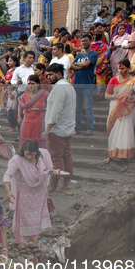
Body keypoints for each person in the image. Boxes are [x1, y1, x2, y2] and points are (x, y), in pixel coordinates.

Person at [3, 139, 52, 261]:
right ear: (23, 152)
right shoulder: (18, 160)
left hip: (40, 194)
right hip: (25, 195)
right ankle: (21, 245)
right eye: (27, 154)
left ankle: (34, 244)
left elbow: (49, 170)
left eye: (32, 154)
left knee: (37, 218)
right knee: (22, 220)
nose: (29, 156)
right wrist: (9, 192)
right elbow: (7, 175)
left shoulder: (42, 157)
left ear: (37, 153)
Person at [42, 63, 76, 195]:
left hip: (57, 130)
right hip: (67, 128)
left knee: (56, 159)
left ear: (59, 74)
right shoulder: (69, 87)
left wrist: (47, 130)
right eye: (48, 74)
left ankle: (52, 187)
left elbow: (56, 111)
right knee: (67, 157)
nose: (48, 77)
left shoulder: (59, 88)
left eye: (51, 74)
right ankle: (64, 186)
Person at [103, 59, 135, 163]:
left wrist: (129, 98)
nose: (120, 70)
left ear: (129, 68)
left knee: (126, 131)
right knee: (113, 130)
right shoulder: (113, 80)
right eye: (119, 68)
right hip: (115, 108)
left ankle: (125, 155)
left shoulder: (134, 81)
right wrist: (116, 96)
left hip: (127, 109)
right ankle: (111, 155)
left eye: (123, 68)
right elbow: (106, 95)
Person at [71, 34, 98, 136]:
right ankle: (77, 128)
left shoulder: (93, 54)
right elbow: (72, 66)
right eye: (82, 41)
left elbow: (87, 64)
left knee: (88, 108)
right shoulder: (78, 56)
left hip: (87, 84)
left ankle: (89, 128)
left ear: (90, 41)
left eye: (86, 41)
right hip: (77, 84)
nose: (83, 43)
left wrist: (80, 65)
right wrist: (82, 65)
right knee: (77, 108)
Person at [18, 75, 49, 149]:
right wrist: (19, 116)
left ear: (38, 84)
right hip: (27, 122)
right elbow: (20, 105)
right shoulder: (24, 95)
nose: (30, 86)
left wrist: (47, 109)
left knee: (39, 141)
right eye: (29, 84)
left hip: (40, 121)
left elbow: (52, 103)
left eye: (33, 84)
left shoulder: (44, 93)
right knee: (26, 140)